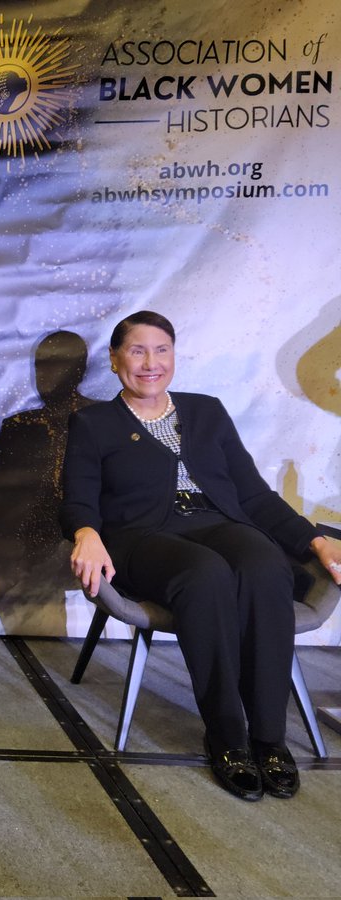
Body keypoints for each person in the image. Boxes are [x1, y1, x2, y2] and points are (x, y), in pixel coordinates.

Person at [61, 310, 341, 801]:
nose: (151, 363)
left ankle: (269, 737)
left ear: (174, 355)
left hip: (216, 522)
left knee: (264, 564)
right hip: (139, 536)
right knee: (205, 574)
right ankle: (227, 735)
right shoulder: (94, 423)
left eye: (162, 350)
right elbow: (78, 498)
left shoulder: (207, 411)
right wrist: (85, 531)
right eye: (137, 350)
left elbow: (254, 496)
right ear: (114, 358)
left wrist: (314, 540)